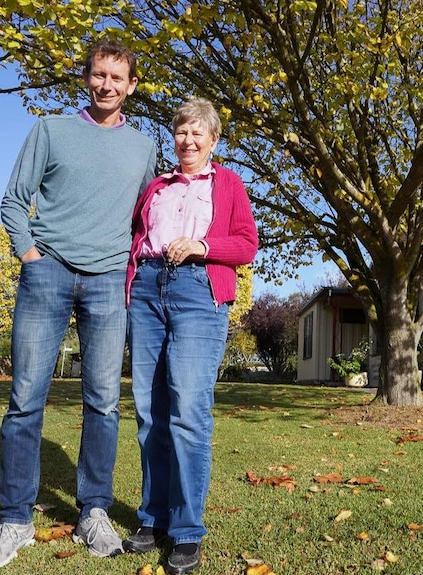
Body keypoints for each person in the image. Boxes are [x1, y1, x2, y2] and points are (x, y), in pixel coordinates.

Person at [0, 39, 157, 569]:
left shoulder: (144, 148)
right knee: (26, 398)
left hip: (106, 282)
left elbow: (146, 216)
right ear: (87, 78)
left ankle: (94, 512)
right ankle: (14, 520)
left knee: (103, 401)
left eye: (117, 78)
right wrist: (29, 254)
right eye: (99, 75)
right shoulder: (50, 130)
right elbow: (14, 197)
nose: (107, 85)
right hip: (47, 272)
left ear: (131, 86)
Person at [122, 97, 258, 574]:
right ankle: (153, 516)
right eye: (182, 132)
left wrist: (203, 245)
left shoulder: (229, 184)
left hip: (199, 292)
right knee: (148, 411)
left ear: (213, 140)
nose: (189, 141)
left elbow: (246, 245)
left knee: (188, 412)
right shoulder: (157, 186)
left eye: (198, 133)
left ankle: (186, 530)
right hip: (147, 292)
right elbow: (136, 238)